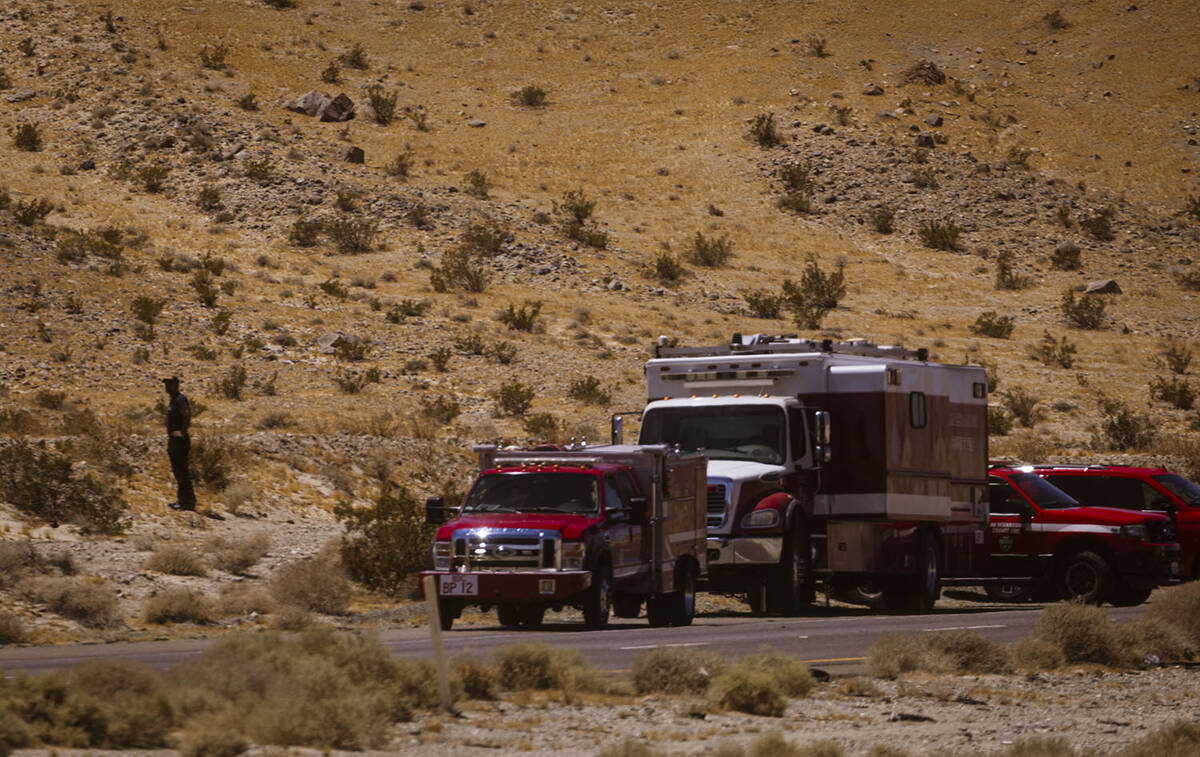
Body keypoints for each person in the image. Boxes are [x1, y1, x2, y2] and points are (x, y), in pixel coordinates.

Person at [163, 376, 196, 511]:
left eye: (169, 384)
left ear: (176, 385)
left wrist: (182, 432)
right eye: (166, 384)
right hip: (174, 440)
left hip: (179, 441)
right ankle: (186, 500)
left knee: (182, 472)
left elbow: (187, 414)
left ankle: (185, 502)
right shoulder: (173, 400)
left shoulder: (180, 399)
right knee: (179, 472)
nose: (167, 387)